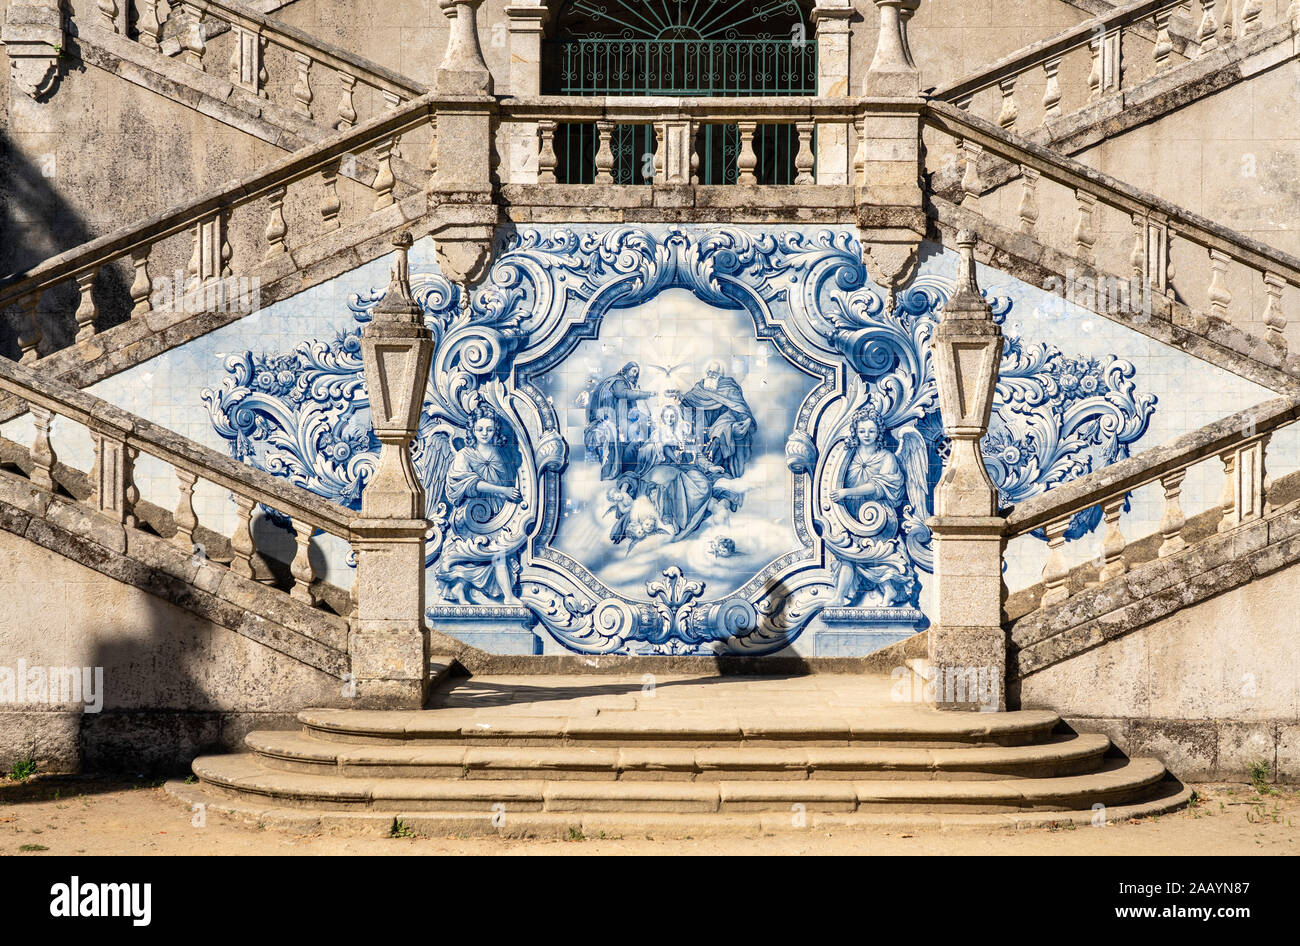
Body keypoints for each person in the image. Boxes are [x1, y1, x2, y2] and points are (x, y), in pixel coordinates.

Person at [436, 406, 522, 604]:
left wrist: (506, 495)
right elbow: (467, 482)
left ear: (495, 431)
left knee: (500, 552)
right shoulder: (464, 455)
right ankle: (465, 591)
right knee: (477, 553)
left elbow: (510, 478)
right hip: (471, 513)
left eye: (489, 429)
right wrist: (503, 491)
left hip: (499, 511)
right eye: (480, 429)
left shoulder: (504, 454)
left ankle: (505, 595)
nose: (484, 433)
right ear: (472, 430)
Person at [679, 360, 756, 478]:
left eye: (714, 373)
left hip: (723, 422)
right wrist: (679, 398)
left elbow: (739, 407)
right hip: (702, 424)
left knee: (721, 431)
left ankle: (716, 467)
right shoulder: (700, 387)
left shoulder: (729, 388)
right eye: (709, 372)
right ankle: (705, 466)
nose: (711, 375)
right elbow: (687, 401)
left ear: (720, 375)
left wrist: (747, 419)